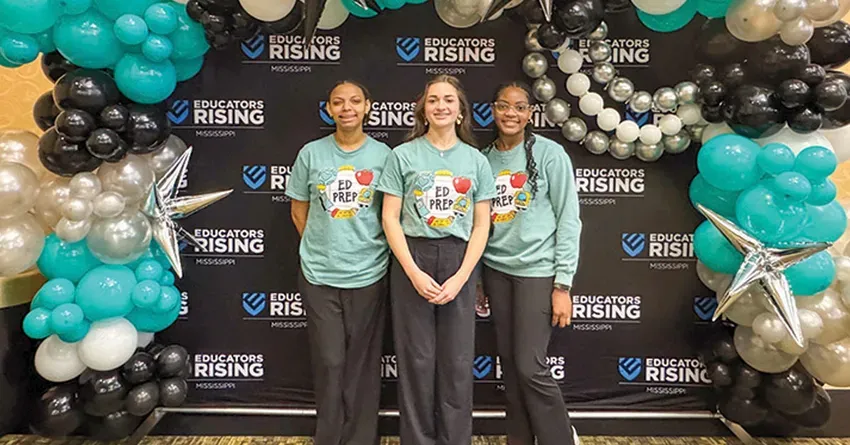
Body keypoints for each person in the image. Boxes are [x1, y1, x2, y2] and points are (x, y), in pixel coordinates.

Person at [377, 75, 496, 445]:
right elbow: (389, 218)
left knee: (457, 361)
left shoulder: (476, 160)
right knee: (416, 360)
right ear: (423, 109)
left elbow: (482, 225)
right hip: (413, 256)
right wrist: (413, 271)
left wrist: (463, 277)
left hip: (460, 259)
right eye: (433, 100)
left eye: (448, 100)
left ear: (460, 111)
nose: (440, 106)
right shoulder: (402, 156)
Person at [285, 80, 391, 445]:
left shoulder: (384, 156)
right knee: (330, 362)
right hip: (319, 276)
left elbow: (390, 214)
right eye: (339, 102)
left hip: (369, 275)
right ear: (329, 109)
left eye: (355, 101)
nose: (347, 108)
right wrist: (322, 245)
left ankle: (361, 439)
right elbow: (298, 210)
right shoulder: (311, 154)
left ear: (367, 107)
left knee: (362, 364)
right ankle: (329, 438)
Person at [482, 81, 583, 445]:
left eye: (520, 107)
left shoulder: (550, 154)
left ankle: (561, 438)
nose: (511, 113)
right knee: (511, 368)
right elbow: (478, 226)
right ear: (493, 110)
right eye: (503, 106)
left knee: (529, 365)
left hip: (537, 273)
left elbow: (569, 219)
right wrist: (478, 279)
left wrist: (563, 284)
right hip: (496, 271)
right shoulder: (483, 159)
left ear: (530, 114)